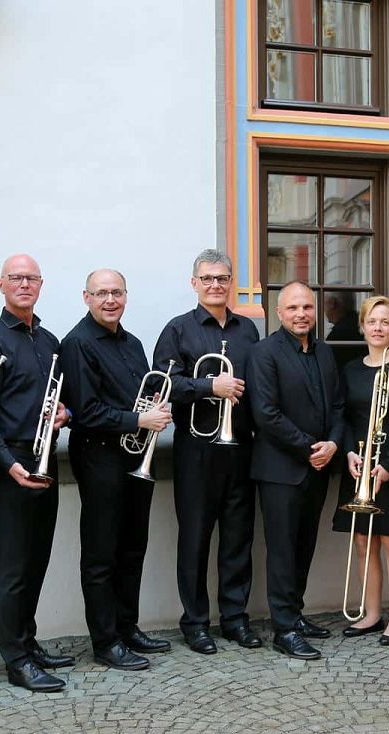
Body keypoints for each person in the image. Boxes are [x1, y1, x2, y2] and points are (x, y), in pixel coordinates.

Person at [0, 254, 73, 693]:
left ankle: (28, 643)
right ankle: (16, 659)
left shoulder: (49, 340)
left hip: (44, 457)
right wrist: (7, 464)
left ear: (41, 284)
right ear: (1, 284)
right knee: (13, 565)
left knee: (37, 558)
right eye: (16, 278)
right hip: (10, 461)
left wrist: (64, 413)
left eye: (31, 278)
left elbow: (58, 398)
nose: (24, 284)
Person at [59, 269, 173, 671]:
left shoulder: (133, 342)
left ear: (126, 296)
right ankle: (106, 642)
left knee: (132, 548)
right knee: (101, 553)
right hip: (99, 457)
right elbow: (85, 412)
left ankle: (128, 626)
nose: (110, 300)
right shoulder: (77, 344)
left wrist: (157, 407)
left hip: (134, 456)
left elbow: (138, 395)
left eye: (117, 292)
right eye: (102, 293)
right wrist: (140, 421)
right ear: (86, 297)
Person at [153, 249, 262, 655]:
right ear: (194, 283)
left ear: (231, 282)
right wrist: (208, 387)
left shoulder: (248, 331)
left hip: (240, 449)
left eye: (222, 278)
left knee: (239, 537)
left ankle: (235, 618)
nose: (216, 285)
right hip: (196, 449)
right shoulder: (177, 330)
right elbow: (163, 385)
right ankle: (196, 622)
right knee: (195, 539)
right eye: (208, 278)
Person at [250, 280, 345, 660]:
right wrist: (310, 449)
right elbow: (266, 414)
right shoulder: (264, 353)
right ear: (279, 312)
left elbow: (338, 405)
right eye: (293, 308)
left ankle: (297, 613)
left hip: (319, 465)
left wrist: (333, 444)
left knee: (305, 545)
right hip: (281, 470)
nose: (301, 314)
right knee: (282, 551)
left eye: (307, 307)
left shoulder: (324, 352)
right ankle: (284, 628)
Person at [332, 296, 389, 645]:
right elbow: (342, 415)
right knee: (363, 542)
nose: (378, 327)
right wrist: (348, 454)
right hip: (359, 465)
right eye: (372, 321)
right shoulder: (352, 369)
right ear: (361, 326)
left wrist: (386, 464)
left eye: (386, 322)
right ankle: (371, 614)